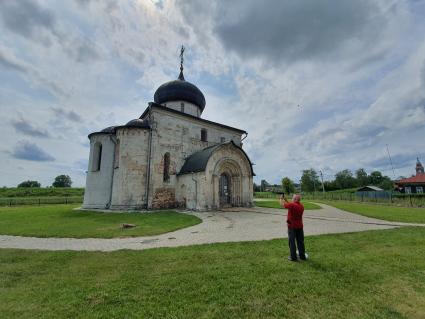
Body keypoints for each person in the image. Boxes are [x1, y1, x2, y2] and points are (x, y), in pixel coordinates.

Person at [279, 194, 306, 261]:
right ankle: (302, 256)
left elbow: (282, 205)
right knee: (300, 242)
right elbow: (291, 205)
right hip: (300, 226)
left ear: (295, 199)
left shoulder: (292, 205)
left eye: (293, 198)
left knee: (292, 242)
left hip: (292, 227)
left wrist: (280, 199)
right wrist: (286, 200)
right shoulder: (301, 206)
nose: (291, 199)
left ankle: (293, 257)